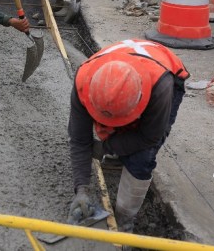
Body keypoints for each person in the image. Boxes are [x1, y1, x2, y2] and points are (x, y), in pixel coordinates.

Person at [68, 39, 189, 233]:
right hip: (132, 67)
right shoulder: (83, 80)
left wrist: (106, 147)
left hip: (166, 70)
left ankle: (125, 220)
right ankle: (120, 155)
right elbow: (79, 139)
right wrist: (81, 189)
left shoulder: (161, 88)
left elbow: (149, 136)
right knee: (118, 138)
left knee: (142, 156)